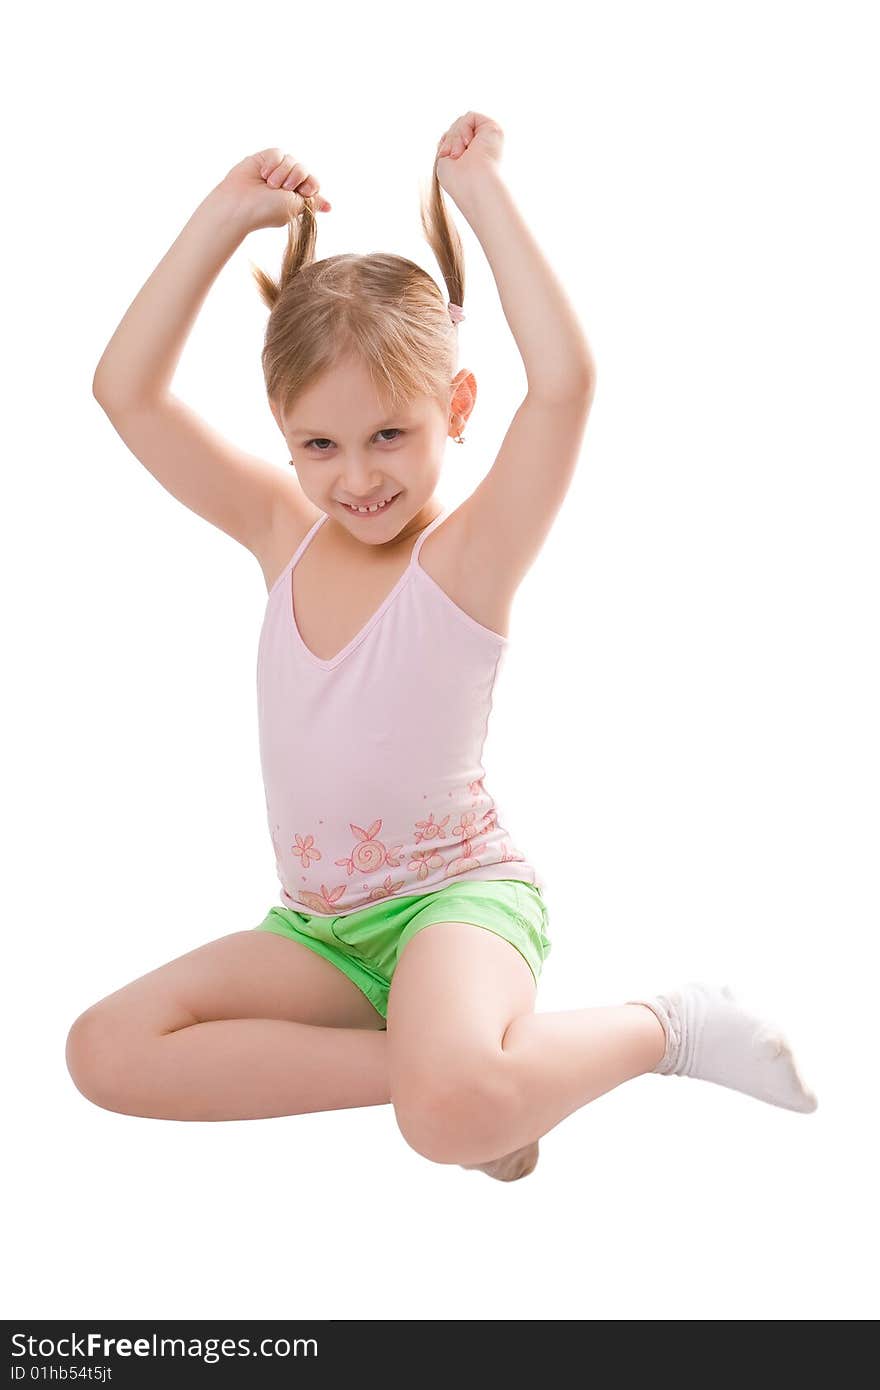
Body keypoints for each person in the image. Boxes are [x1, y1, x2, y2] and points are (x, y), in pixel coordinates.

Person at [67, 112, 817, 1183]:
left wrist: (484, 200)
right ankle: (459, 1073)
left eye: (389, 434)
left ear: (454, 407)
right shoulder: (283, 533)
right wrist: (223, 219)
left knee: (446, 1121)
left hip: (457, 906)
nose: (356, 476)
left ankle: (670, 1026)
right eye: (318, 444)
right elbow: (125, 393)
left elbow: (565, 387)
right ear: (281, 431)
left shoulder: (466, 560)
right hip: (321, 935)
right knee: (105, 1049)